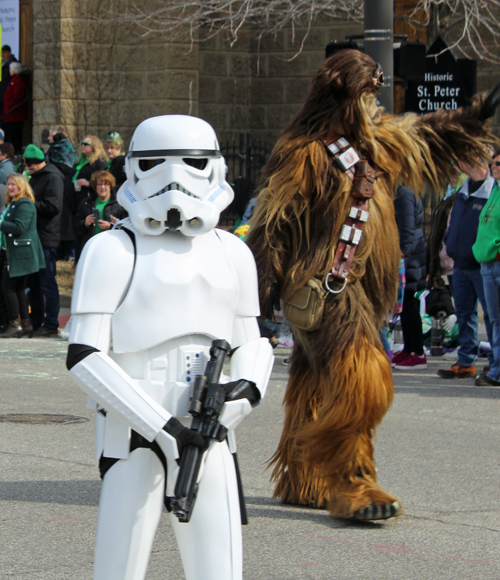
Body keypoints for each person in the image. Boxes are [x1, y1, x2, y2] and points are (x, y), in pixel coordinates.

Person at [246, 49, 500, 521]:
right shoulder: (306, 153)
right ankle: (353, 485)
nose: (374, 107)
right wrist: (255, 296)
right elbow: (272, 225)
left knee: (312, 384)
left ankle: (302, 478)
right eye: (367, 98)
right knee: (361, 381)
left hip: (359, 293)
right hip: (328, 291)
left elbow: (431, 136)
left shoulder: (379, 141)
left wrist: (475, 116)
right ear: (344, 98)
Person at [66, 114, 274, 580]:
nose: (173, 177)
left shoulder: (232, 252)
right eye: (156, 162)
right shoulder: (112, 250)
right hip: (134, 431)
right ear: (135, 167)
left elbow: (253, 342)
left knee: (219, 569)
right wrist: (161, 427)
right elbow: (83, 357)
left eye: (192, 162)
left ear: (214, 166)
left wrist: (243, 394)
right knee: (119, 568)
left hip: (209, 431)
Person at [437, 159, 495, 379]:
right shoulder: (462, 190)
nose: (460, 162)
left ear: (479, 160)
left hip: (483, 265)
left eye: (465, 157)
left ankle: (494, 362)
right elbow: (453, 223)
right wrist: (449, 243)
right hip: (460, 265)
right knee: (464, 315)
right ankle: (466, 361)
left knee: (491, 316)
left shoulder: (492, 191)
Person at [23, 144, 64, 337]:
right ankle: (37, 321)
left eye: (29, 165)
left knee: (47, 282)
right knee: (34, 283)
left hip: (46, 237)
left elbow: (53, 206)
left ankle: (50, 324)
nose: (27, 168)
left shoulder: (52, 178)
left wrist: (30, 205)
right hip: (33, 237)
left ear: (37, 163)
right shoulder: (36, 177)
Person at [0, 174, 45, 338]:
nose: (10, 186)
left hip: (22, 253)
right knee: (18, 288)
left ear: (21, 186)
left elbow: (19, 227)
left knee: (8, 287)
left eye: (14, 184)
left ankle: (15, 323)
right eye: (8, 183)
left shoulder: (24, 203)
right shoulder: (14, 203)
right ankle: (25, 324)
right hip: (15, 252)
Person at [472, 150, 500, 387]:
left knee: (498, 320)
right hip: (487, 264)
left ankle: (498, 371)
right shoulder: (494, 190)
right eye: (493, 163)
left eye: (499, 164)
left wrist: (496, 248)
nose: (494, 167)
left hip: (497, 262)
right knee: (493, 319)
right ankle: (496, 365)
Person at [392, 185, 427, 369]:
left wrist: (401, 255)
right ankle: (408, 348)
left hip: (409, 256)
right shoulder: (402, 190)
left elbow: (406, 228)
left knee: (409, 304)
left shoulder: (404, 192)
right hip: (410, 254)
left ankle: (417, 352)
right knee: (404, 306)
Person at [71, 135, 107, 262]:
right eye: (82, 143)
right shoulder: (81, 162)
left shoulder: (99, 163)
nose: (83, 146)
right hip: (77, 201)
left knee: (88, 233)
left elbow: (104, 181)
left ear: (94, 147)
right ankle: (78, 261)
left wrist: (88, 183)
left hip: (90, 200)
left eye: (86, 144)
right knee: (78, 231)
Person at [74, 170, 127, 252]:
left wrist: (110, 227)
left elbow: (127, 229)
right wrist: (85, 223)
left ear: (110, 186)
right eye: (99, 184)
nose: (102, 187)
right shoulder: (86, 203)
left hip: (111, 247)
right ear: (95, 186)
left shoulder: (119, 204)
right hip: (90, 247)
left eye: (106, 184)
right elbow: (77, 228)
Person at [47, 125, 77, 261]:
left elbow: (68, 168)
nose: (48, 138)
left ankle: (70, 252)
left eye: (51, 135)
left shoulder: (61, 151)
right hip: (59, 188)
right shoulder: (55, 151)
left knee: (66, 223)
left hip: (66, 189)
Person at [2, 62, 29, 154]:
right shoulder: (14, 80)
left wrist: (9, 105)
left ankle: (15, 152)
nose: (9, 71)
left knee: (15, 135)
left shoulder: (19, 81)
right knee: (11, 135)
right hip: (10, 114)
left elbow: (17, 97)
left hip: (15, 114)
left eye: (10, 69)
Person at [0, 45, 17, 115]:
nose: (2, 55)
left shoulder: (13, 64)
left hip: (7, 96)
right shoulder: (2, 64)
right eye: (1, 53)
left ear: (9, 53)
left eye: (4, 52)